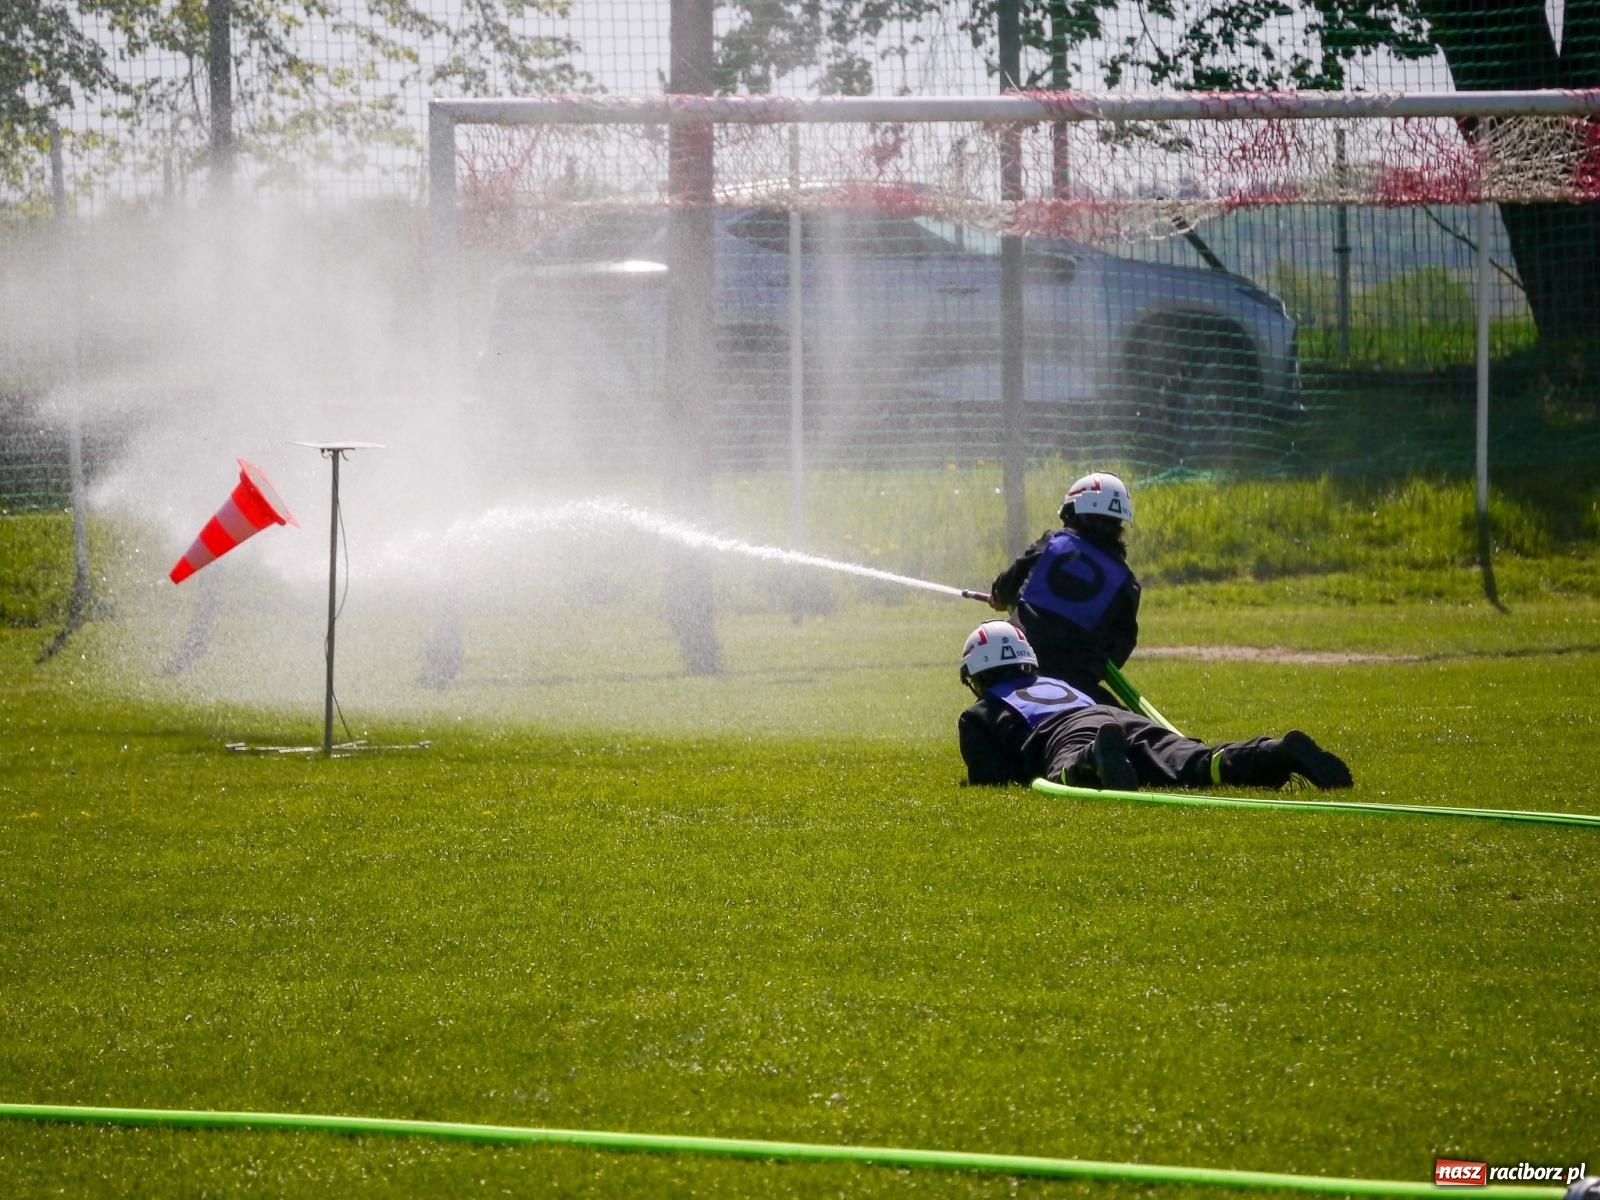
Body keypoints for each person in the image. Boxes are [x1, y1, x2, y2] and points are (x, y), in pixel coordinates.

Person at [956, 620, 1353, 792]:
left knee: (1070, 772)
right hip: (1122, 719)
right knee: (1200, 763)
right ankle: (1275, 751)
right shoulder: (1060, 681)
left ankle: (1094, 759)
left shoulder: (981, 713)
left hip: (1068, 735)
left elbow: (994, 779)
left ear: (976, 676)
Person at [987, 470, 1138, 705]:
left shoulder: (1052, 542)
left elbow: (1005, 587)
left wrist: (999, 597)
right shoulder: (1127, 582)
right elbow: (1120, 646)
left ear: (1071, 512)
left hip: (1020, 671)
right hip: (1077, 684)